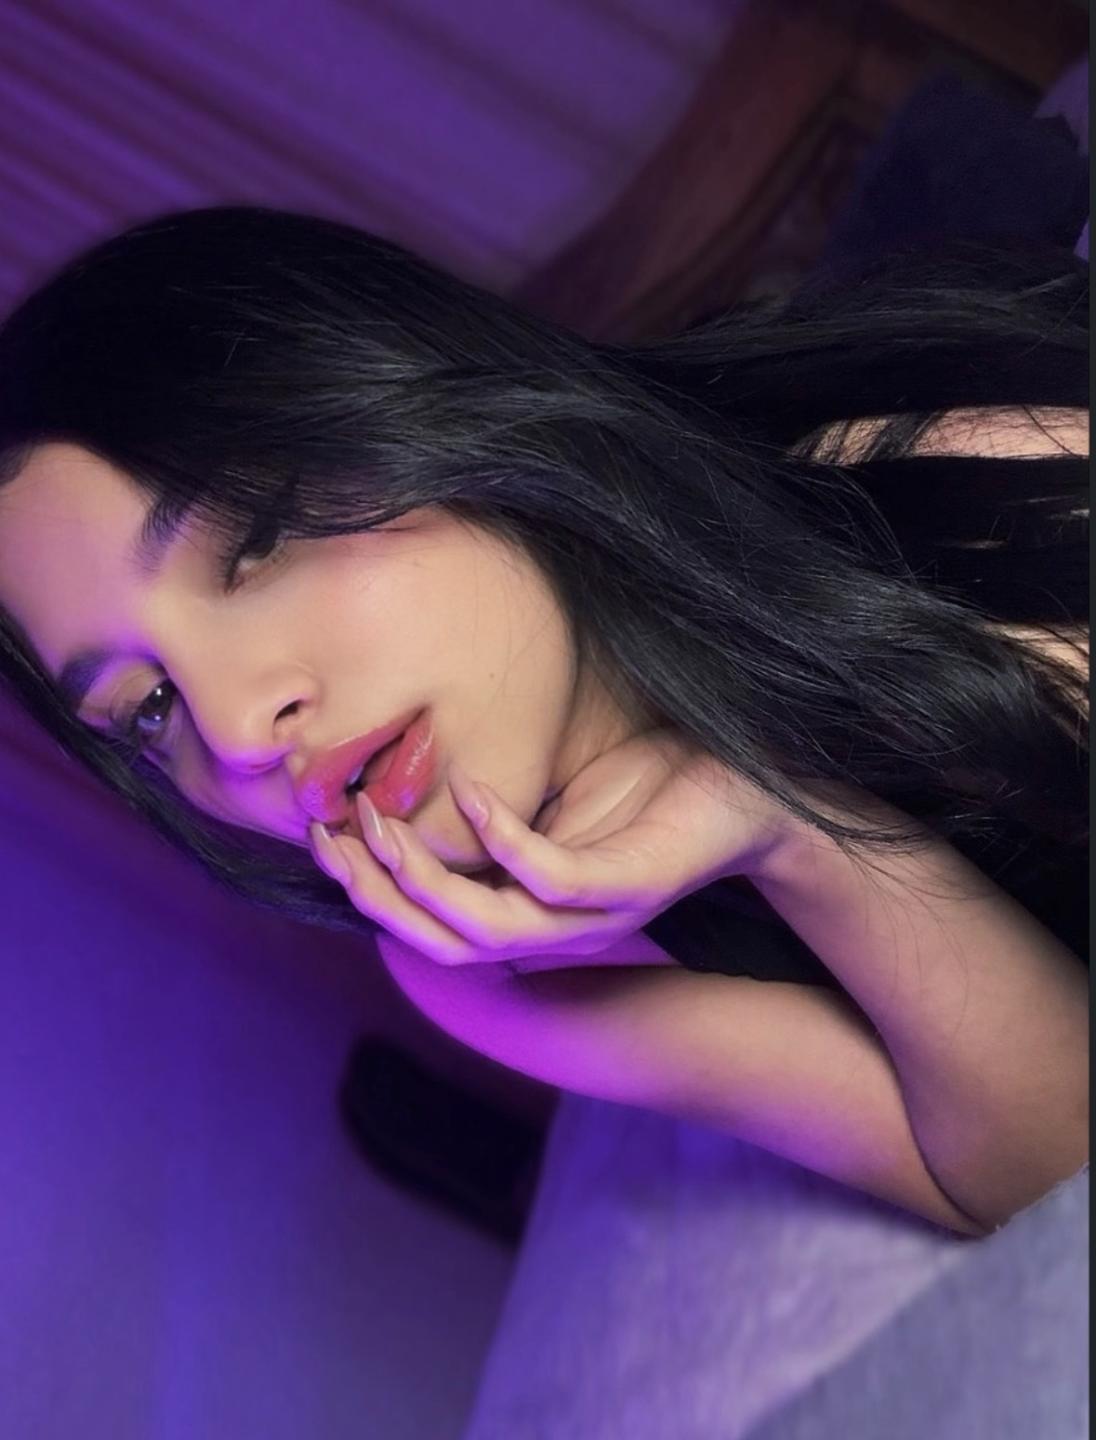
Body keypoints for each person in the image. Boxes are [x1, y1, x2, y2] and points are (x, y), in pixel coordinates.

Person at [0, 205, 1087, 1240]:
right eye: (149, 708)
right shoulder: (470, 972)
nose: (239, 731)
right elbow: (1053, 1177)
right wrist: (789, 821)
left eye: (255, 541)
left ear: (400, 395)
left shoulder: (947, 484)